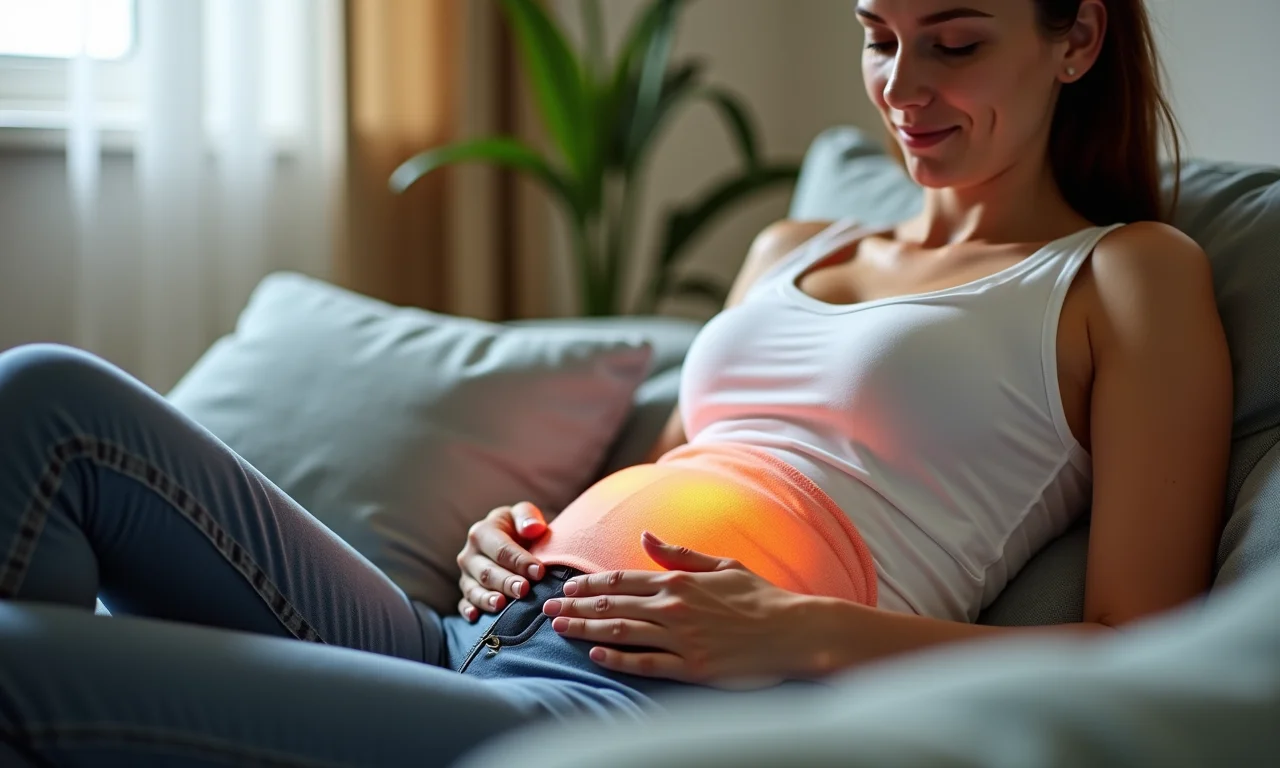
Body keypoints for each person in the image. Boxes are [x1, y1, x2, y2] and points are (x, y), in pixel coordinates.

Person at [0, 0, 1233, 765]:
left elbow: (1138, 647)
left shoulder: (1123, 276)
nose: (902, 89)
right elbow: (681, 474)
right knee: (46, 399)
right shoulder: (791, 245)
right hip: (474, 631)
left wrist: (794, 633)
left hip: (630, 721)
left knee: (24, 666)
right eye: (876, 37)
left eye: (954, 42)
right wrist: (508, 535)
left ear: (1075, 38)